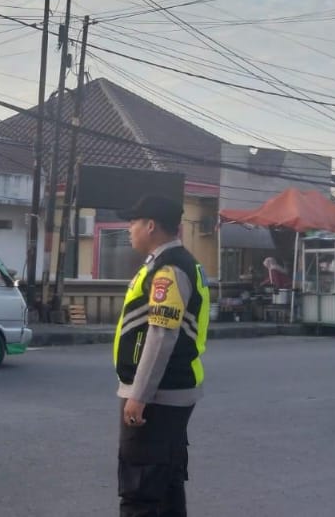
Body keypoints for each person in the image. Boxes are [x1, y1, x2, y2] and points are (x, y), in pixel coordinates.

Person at [113, 195, 210, 517]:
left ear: (151, 225)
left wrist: (139, 396)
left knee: (140, 490)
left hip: (158, 396)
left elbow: (161, 336)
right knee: (167, 485)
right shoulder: (174, 264)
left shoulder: (169, 270)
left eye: (133, 222)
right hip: (170, 391)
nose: (129, 229)